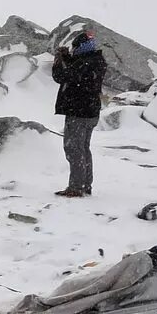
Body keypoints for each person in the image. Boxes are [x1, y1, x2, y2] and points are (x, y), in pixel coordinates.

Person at [51, 27, 107, 197]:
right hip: (90, 111)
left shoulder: (86, 63)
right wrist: (67, 58)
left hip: (79, 112)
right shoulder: (94, 60)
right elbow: (76, 70)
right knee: (83, 149)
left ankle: (76, 187)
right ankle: (85, 185)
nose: (73, 51)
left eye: (75, 48)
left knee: (74, 149)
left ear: (81, 47)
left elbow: (63, 76)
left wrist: (58, 61)